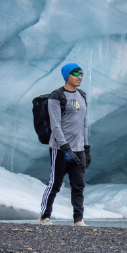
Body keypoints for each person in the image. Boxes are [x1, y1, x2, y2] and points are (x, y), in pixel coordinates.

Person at [38, 63, 90, 226]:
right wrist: (66, 148)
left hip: (79, 149)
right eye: (75, 73)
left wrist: (86, 148)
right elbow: (55, 125)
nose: (79, 76)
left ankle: (78, 220)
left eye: (81, 73)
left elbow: (84, 124)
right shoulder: (57, 96)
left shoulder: (82, 95)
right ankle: (44, 217)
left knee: (78, 185)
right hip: (60, 149)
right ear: (67, 75)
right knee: (54, 183)